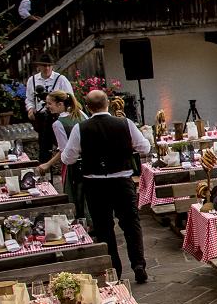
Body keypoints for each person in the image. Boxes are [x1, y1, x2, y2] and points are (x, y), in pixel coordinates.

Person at [61, 89, 150, 283]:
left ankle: (114, 270)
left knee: (104, 228)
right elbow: (145, 147)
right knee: (131, 225)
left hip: (95, 184)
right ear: (107, 103)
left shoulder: (81, 128)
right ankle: (138, 264)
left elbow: (68, 158)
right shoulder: (125, 123)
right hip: (122, 181)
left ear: (87, 107)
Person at [34, 89, 86, 226]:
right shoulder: (81, 115)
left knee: (74, 197)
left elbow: (64, 150)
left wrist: (47, 164)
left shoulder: (58, 124)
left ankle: (81, 225)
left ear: (60, 104)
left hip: (73, 166)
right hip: (88, 162)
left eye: (50, 103)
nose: (47, 106)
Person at [24, 57, 73, 165]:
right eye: (44, 65)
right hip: (41, 117)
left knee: (62, 143)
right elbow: (29, 99)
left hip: (57, 116)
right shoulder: (32, 80)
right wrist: (30, 109)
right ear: (39, 66)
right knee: (44, 144)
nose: (47, 68)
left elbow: (70, 98)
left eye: (49, 65)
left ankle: (64, 164)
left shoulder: (61, 79)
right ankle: (44, 169)